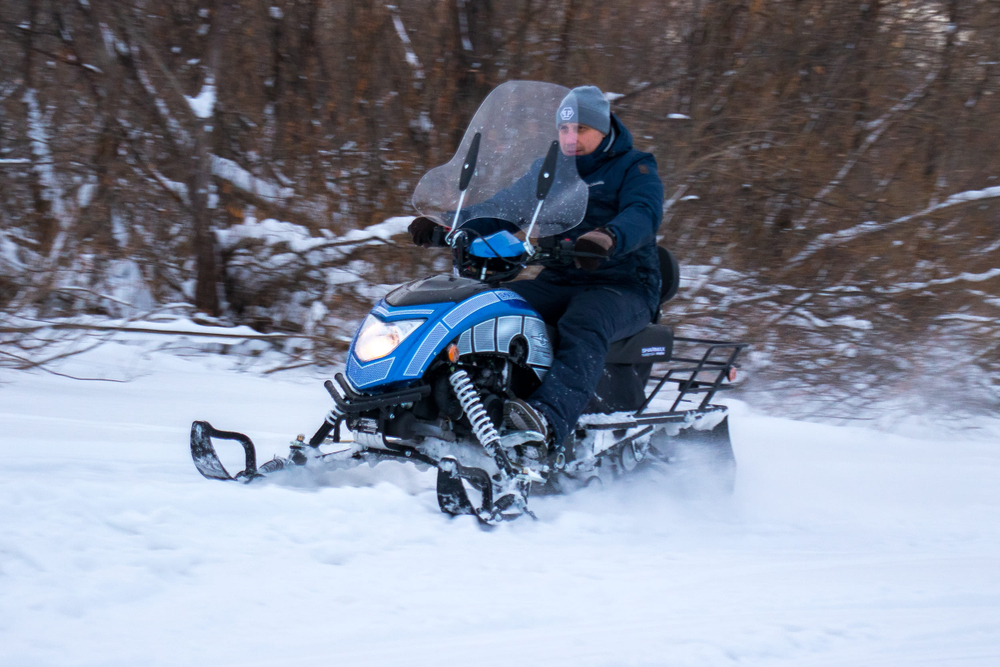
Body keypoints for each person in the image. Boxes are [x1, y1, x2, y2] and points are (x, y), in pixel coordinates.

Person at [409, 85, 664, 452]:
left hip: (622, 284)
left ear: (604, 129)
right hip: (561, 277)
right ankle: (456, 402)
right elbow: (504, 208)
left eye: (581, 130)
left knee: (584, 320)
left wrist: (608, 237)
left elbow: (643, 213)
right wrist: (448, 226)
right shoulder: (551, 170)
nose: (571, 138)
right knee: (490, 304)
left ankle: (545, 423)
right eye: (564, 130)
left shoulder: (635, 167)